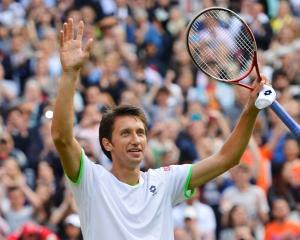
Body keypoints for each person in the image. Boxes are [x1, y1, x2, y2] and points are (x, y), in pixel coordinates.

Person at [51, 18, 267, 239]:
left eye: (140, 132)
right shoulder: (91, 181)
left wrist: (251, 111)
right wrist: (70, 74)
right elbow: (62, 138)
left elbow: (226, 158)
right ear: (107, 143)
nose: (136, 139)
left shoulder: (164, 181)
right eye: (125, 133)